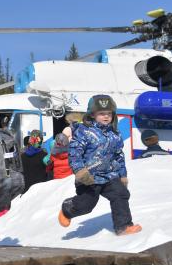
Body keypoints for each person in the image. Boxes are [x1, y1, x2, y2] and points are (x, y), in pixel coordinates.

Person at [58, 95, 142, 236]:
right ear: (92, 114)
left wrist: (122, 176)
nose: (106, 117)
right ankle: (68, 208)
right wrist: (80, 172)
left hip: (109, 176)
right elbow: (75, 154)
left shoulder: (114, 134)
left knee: (120, 194)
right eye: (102, 113)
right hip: (88, 177)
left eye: (109, 113)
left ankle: (124, 226)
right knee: (87, 205)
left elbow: (119, 156)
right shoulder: (83, 132)